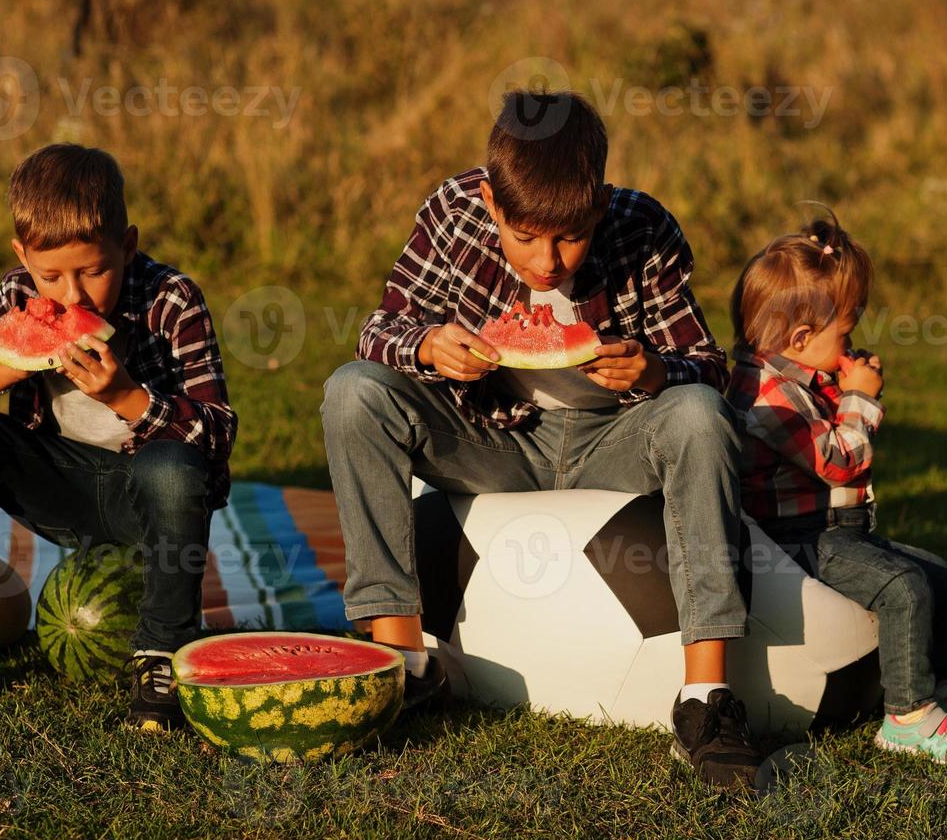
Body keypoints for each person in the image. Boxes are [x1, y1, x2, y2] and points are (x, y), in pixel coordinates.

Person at [321, 91, 761, 789]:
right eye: (524, 237)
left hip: (612, 442)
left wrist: (655, 370)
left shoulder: (643, 227)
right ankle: (402, 663)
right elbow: (379, 332)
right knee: (353, 392)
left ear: (600, 206)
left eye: (570, 237)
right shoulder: (451, 211)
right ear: (492, 205)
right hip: (491, 443)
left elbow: (707, 366)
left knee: (698, 414)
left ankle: (705, 700)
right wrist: (430, 347)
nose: (547, 261)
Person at [0, 143, 237, 732]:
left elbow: (217, 434)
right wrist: (3, 370)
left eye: (94, 271)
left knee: (172, 467)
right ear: (22, 256)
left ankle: (163, 652)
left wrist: (128, 399)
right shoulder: (15, 299)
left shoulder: (172, 300)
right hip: (57, 491)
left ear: (127, 246)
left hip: (150, 501)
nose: (71, 298)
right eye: (50, 277)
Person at [726, 212, 947, 763]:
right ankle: (906, 716)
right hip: (796, 541)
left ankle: (936, 691)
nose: (853, 341)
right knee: (903, 588)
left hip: (836, 530)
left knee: (937, 577)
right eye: (845, 331)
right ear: (801, 337)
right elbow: (840, 463)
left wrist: (842, 388)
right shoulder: (766, 396)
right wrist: (860, 399)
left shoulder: (803, 377)